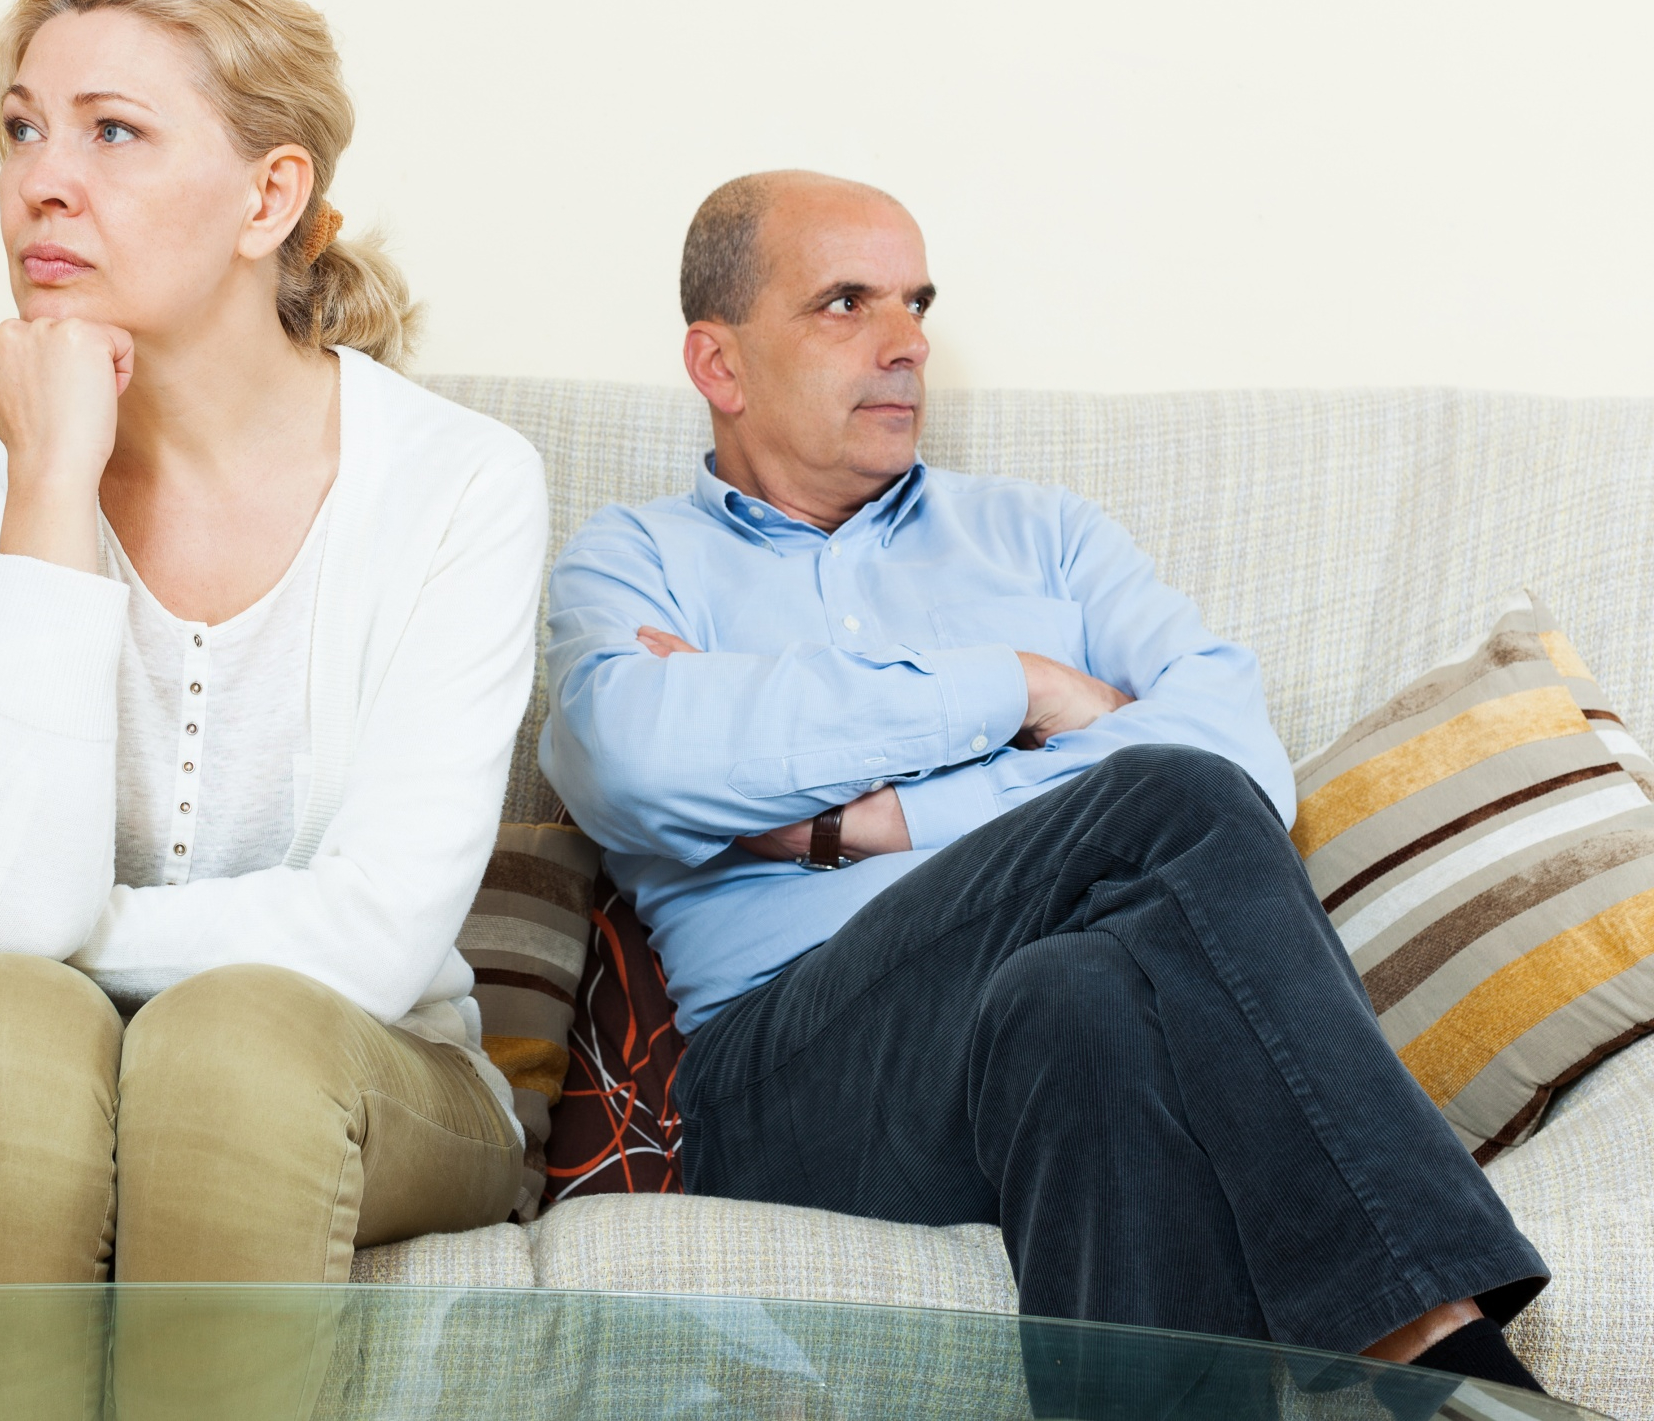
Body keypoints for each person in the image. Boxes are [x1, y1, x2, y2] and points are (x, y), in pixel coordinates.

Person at [539, 170, 1551, 1396]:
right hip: (788, 1073)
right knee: (1155, 804)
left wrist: (877, 817)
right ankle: (1440, 1349)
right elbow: (633, 758)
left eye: (914, 301)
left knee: (1084, 997)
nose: (905, 343)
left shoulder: (1043, 535)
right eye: (843, 303)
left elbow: (1236, 753)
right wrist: (1016, 689)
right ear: (720, 364)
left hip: (1029, 1028)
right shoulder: (635, 559)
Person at [0, 0, 545, 1307]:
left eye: (114, 131)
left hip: (368, 1068)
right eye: (20, 128)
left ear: (270, 195)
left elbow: (376, 935)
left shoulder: (461, 481)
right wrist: (51, 481)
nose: (40, 179)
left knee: (225, 1045)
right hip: (12, 1069)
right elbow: (12, 919)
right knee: (1, 1030)